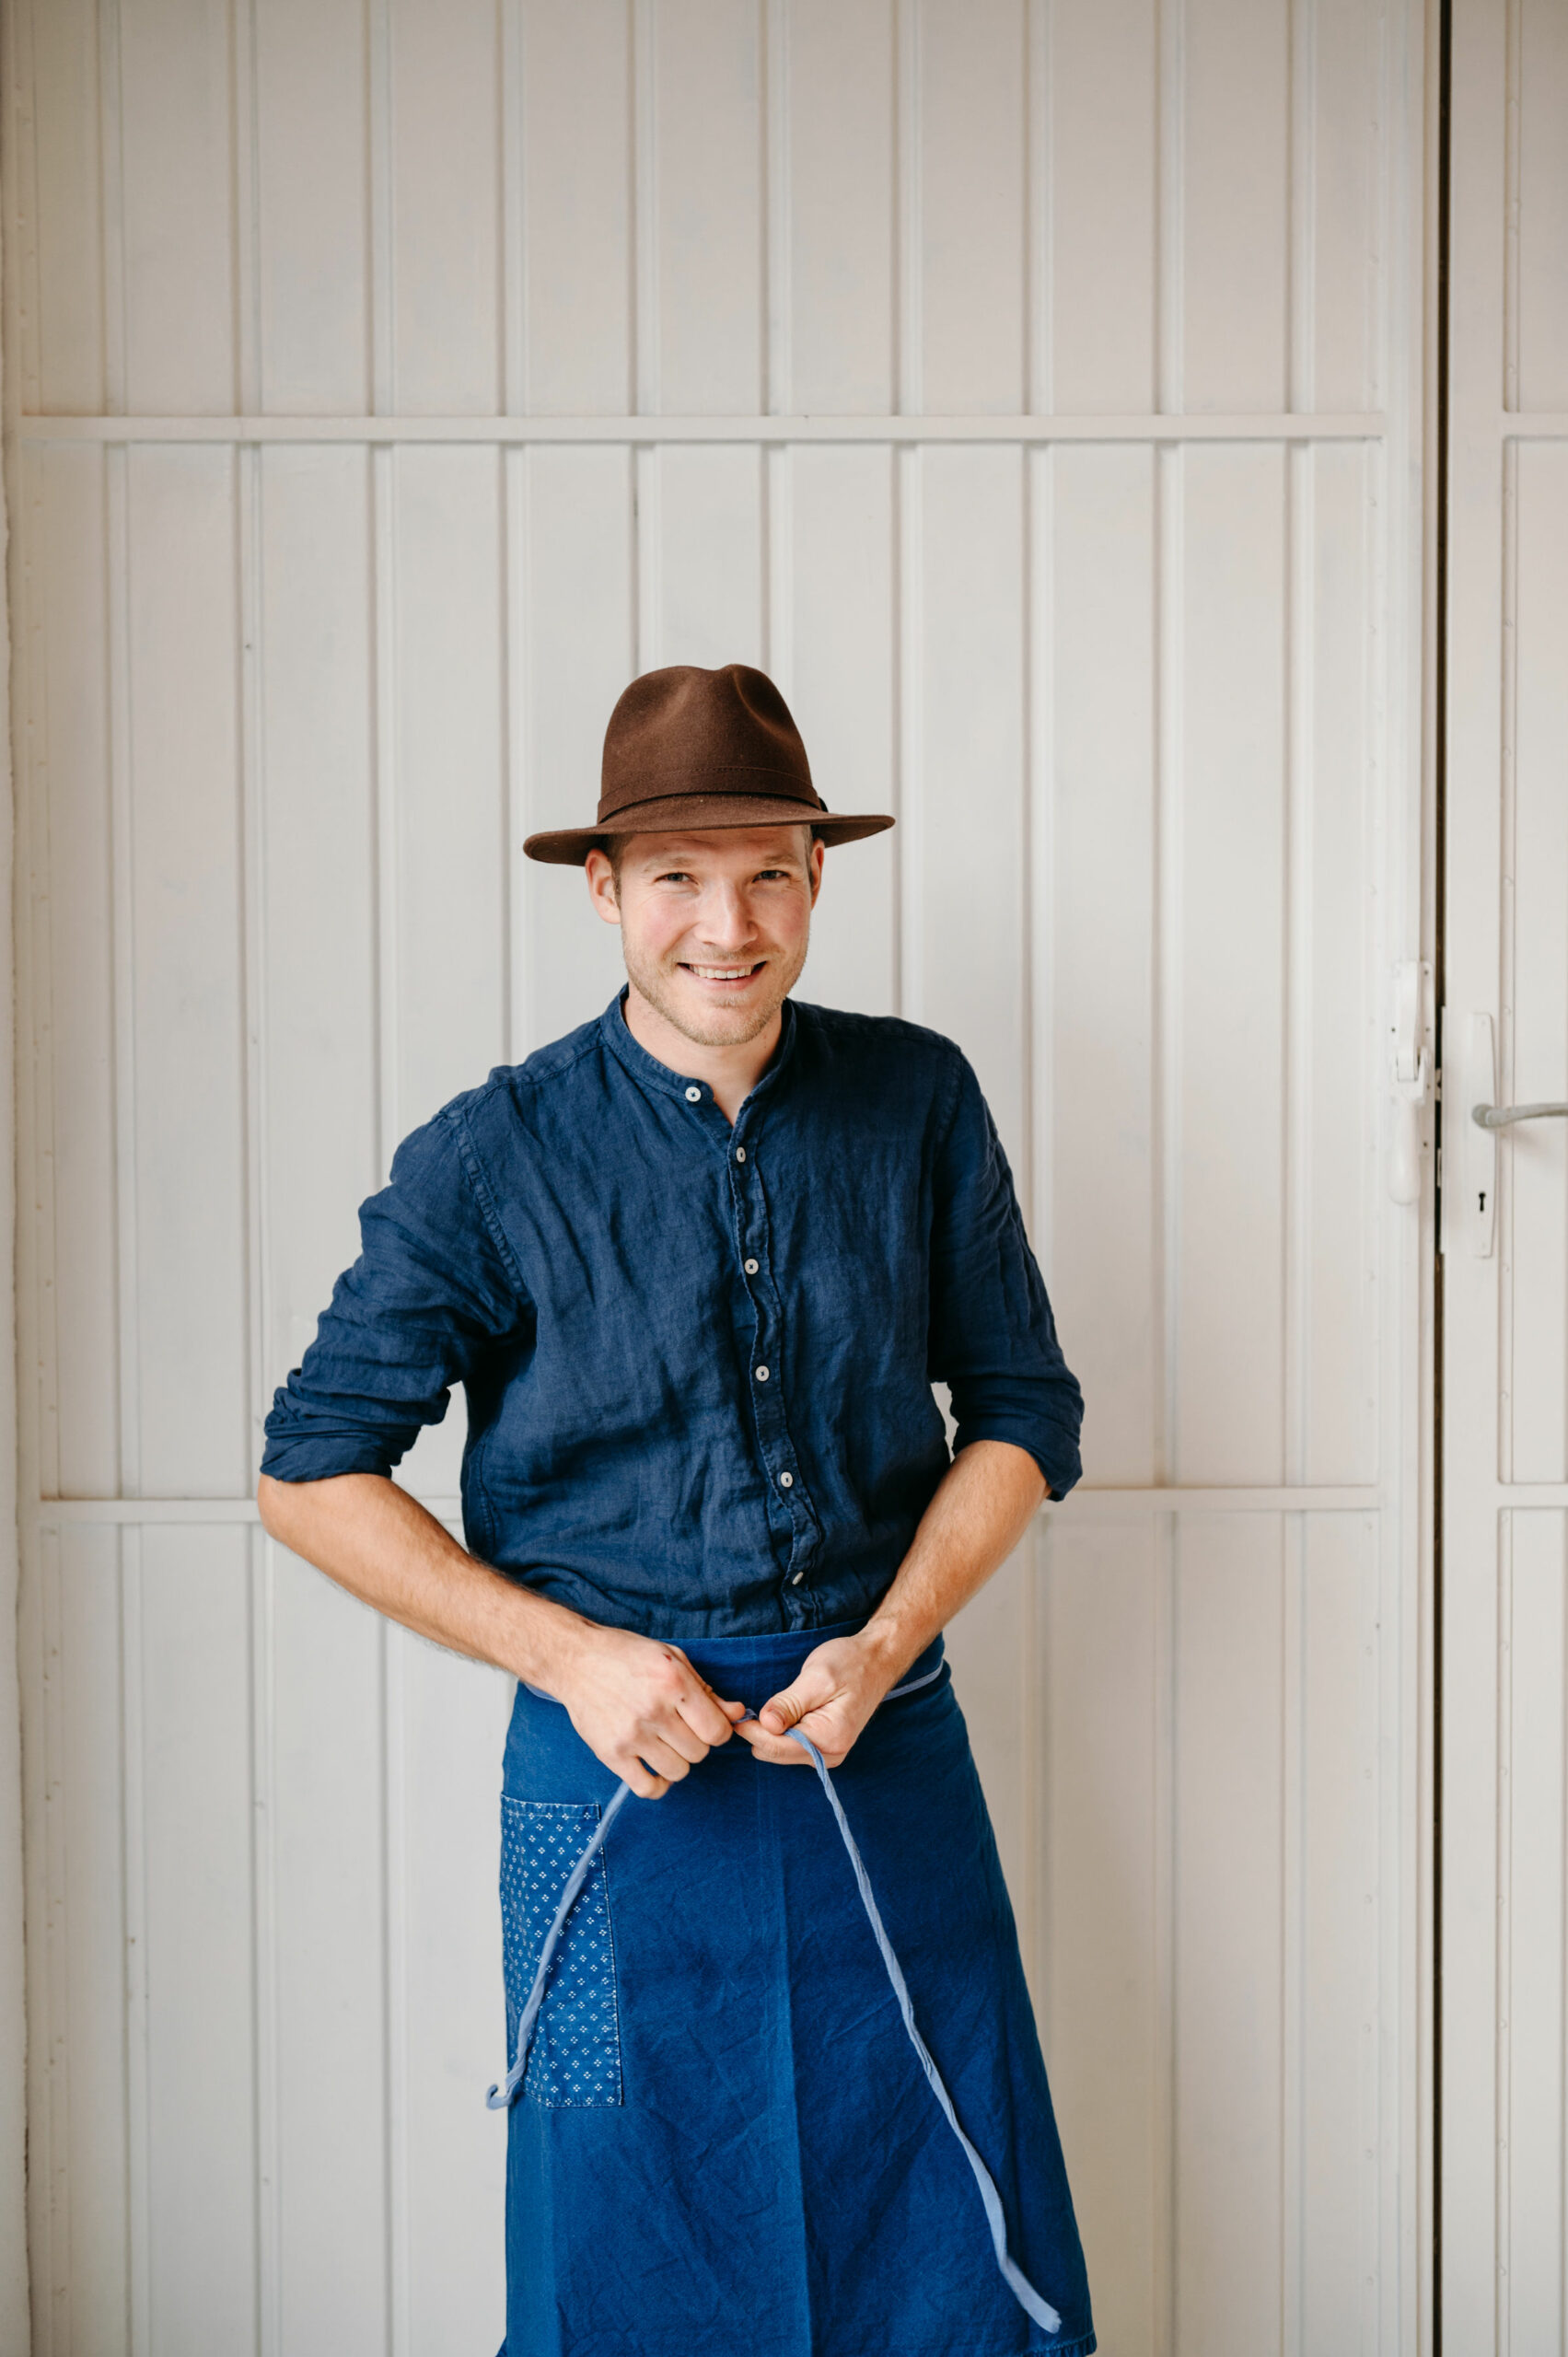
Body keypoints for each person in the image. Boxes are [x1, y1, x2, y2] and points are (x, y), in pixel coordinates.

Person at [258, 661, 1097, 2357]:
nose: (731, 925)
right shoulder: (486, 1157)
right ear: (604, 891)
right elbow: (307, 1473)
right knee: (606, 2253)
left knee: (952, 2230)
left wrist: (886, 1640)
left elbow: (1024, 1416)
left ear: (814, 876)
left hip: (887, 1746)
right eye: (678, 880)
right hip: (604, 1786)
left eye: (770, 872)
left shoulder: (918, 1101)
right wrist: (573, 1660)